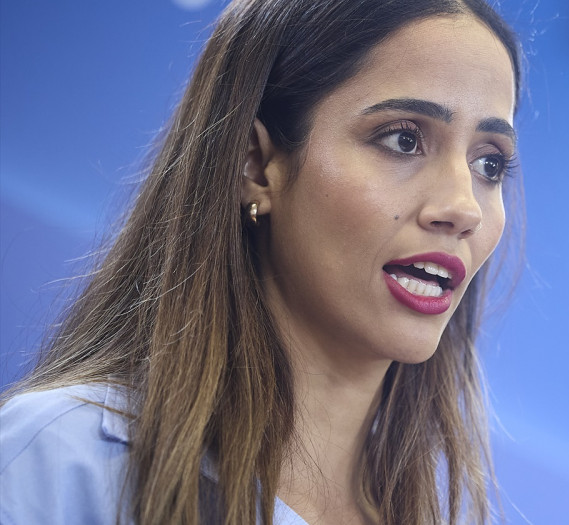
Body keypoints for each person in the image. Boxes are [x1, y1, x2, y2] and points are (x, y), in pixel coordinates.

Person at [0, 0, 523, 523]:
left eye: (489, 163)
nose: (463, 208)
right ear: (256, 163)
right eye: (404, 140)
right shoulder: (61, 460)